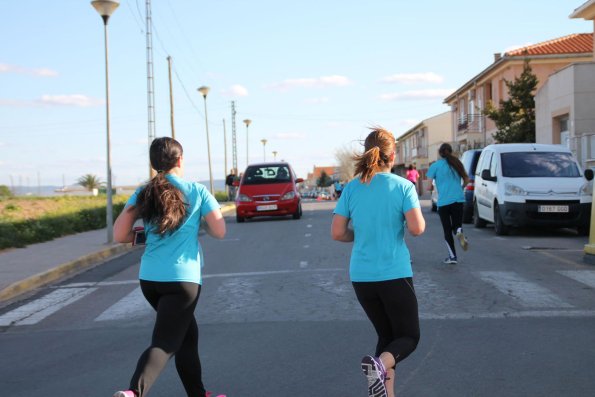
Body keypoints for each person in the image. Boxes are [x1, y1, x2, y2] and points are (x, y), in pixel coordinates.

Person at [112, 137, 227, 397]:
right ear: (179, 160)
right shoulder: (197, 191)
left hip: (150, 280)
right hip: (182, 282)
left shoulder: (144, 192)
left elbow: (120, 234)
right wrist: (197, 221)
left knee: (186, 335)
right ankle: (133, 392)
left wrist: (145, 236)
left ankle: (198, 394)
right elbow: (219, 230)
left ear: (154, 164)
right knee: (165, 342)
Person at [331, 127, 425, 397]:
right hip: (394, 274)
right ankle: (379, 365)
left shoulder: (352, 187)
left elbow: (337, 233)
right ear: (392, 154)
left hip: (362, 278)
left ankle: (384, 392)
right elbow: (417, 228)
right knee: (408, 338)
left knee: (387, 338)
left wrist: (359, 234)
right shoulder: (403, 186)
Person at [427, 143, 469, 265]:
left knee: (447, 230)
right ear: (451, 151)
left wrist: (430, 189)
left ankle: (452, 257)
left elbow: (429, 186)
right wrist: (461, 187)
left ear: (440, 153)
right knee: (456, 226)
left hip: (444, 202)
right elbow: (466, 179)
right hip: (458, 199)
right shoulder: (457, 163)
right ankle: (459, 230)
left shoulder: (435, 166)